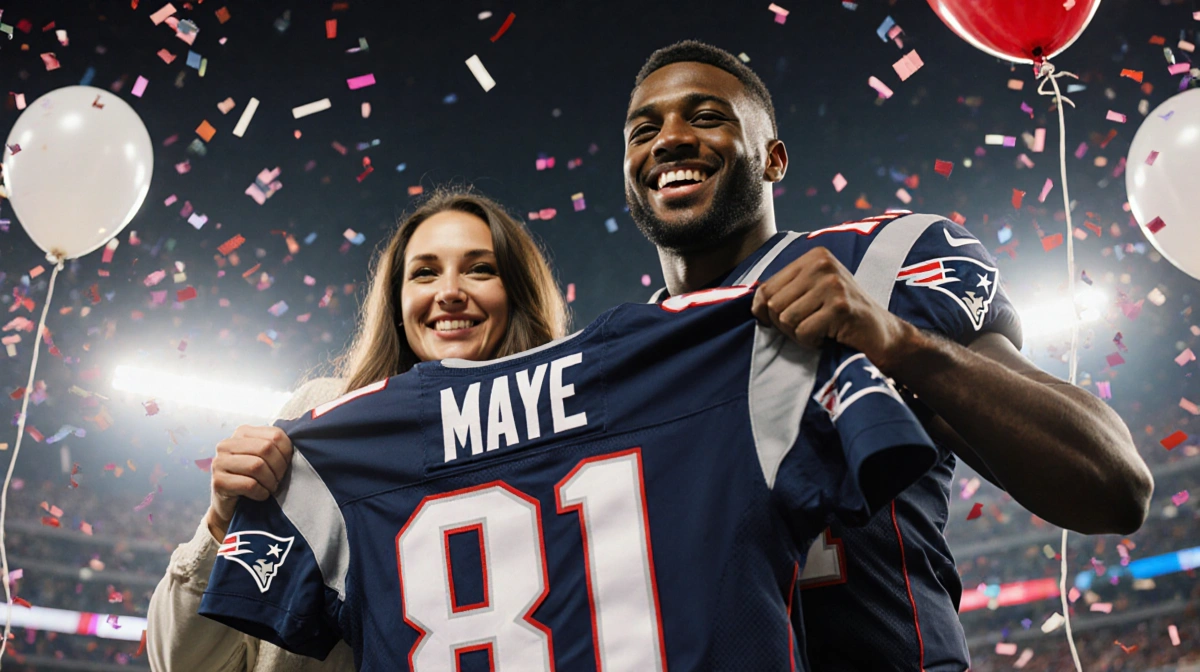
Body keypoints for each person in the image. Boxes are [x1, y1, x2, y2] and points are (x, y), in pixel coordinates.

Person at [623, 40, 1155, 671]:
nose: (669, 139)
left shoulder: (877, 265)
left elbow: (1115, 484)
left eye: (707, 116)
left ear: (773, 158)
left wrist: (897, 340)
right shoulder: (619, 365)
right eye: (644, 130)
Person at [146, 187, 569, 672]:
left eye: (480, 269)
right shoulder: (324, 415)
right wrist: (223, 525)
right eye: (424, 272)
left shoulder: (570, 447)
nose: (449, 291)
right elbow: (182, 665)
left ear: (518, 292)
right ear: (397, 301)